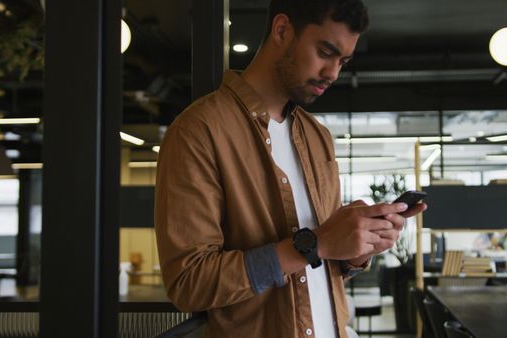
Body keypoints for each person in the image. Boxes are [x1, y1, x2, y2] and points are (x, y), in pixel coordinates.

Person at [154, 1, 426, 337]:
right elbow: (189, 283)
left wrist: (359, 247)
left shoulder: (318, 137)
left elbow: (321, 266)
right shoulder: (199, 131)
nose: (333, 73)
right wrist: (313, 245)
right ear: (282, 30)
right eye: (325, 51)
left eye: (343, 61)